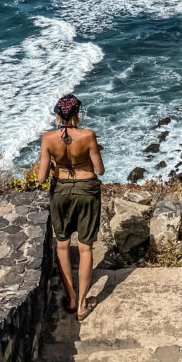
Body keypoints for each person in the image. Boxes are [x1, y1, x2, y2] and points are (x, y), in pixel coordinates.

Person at [37, 94, 105, 320]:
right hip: (86, 190)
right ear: (77, 113)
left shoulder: (48, 138)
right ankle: (83, 305)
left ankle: (72, 298)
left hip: (61, 191)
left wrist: (58, 164)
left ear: (57, 114)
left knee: (63, 245)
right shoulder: (88, 135)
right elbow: (99, 169)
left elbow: (41, 177)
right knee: (85, 248)